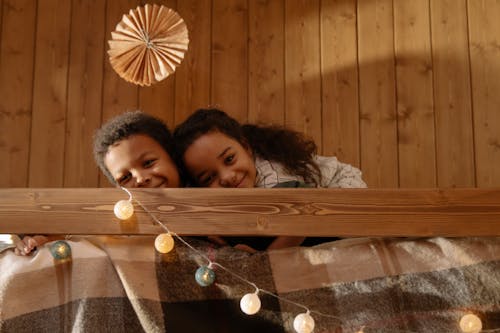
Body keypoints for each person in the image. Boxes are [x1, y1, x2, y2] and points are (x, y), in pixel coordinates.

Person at [173, 108, 367, 252]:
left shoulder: (275, 180)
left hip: (343, 189)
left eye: (229, 159)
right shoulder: (219, 198)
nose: (227, 177)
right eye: (209, 178)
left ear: (246, 148)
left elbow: (304, 217)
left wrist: (266, 256)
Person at [15, 111, 182, 255]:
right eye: (125, 178)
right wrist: (45, 242)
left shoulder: (205, 211)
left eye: (148, 163)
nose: (140, 178)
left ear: (173, 157)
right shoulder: (118, 233)